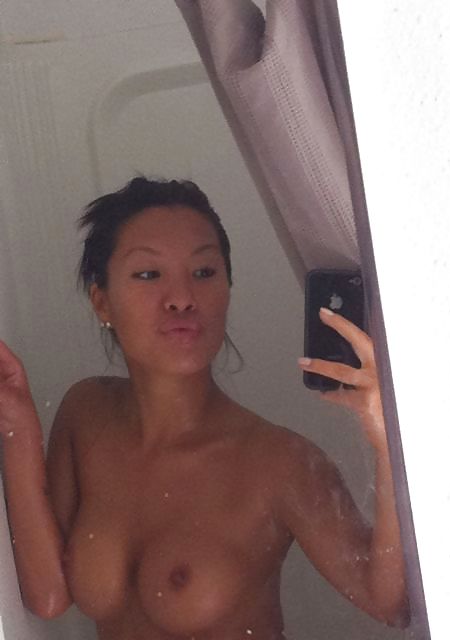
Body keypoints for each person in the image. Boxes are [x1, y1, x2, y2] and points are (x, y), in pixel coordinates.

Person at [0, 177, 408, 640]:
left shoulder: (278, 462)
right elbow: (48, 596)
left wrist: (389, 441)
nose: (181, 298)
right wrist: (17, 426)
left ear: (228, 289)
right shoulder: (86, 414)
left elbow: (389, 604)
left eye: (204, 272)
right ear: (102, 301)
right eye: (148, 274)